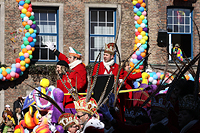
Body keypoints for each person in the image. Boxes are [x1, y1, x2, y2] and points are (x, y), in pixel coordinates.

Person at [100, 94, 179, 133]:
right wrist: (112, 113)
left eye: (155, 112)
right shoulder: (146, 127)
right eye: (151, 112)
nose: (152, 115)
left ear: (163, 114)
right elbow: (126, 129)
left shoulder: (172, 130)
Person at [45, 41, 87, 113]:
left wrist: (75, 88)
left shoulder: (80, 68)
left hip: (75, 99)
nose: (68, 59)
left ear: (75, 59)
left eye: (70, 57)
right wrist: (55, 51)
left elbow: (83, 82)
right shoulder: (72, 65)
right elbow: (64, 59)